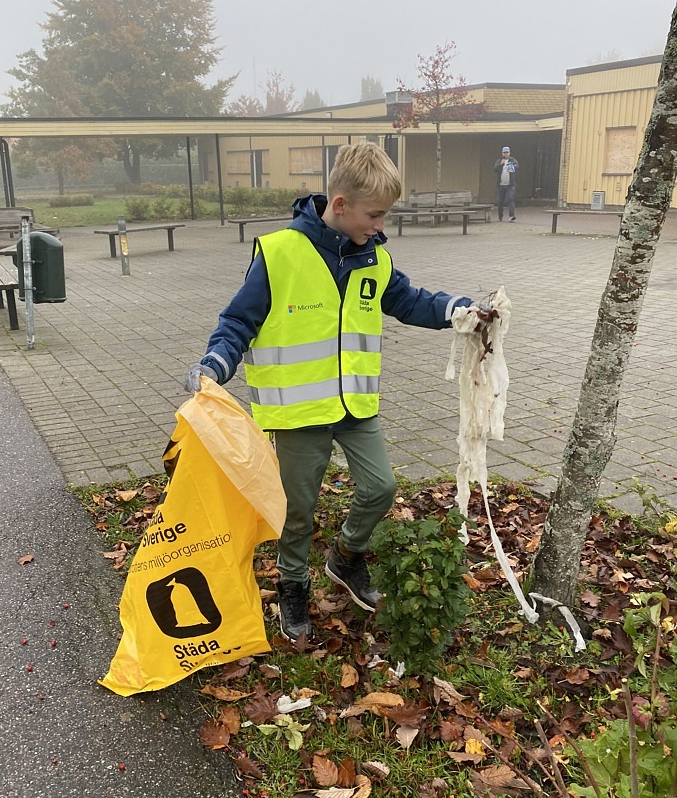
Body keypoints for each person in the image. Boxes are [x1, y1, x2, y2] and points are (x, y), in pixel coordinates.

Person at [184, 142, 475, 643]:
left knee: (381, 486)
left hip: (355, 405)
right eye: (375, 215)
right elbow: (238, 320)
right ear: (340, 206)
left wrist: (459, 311)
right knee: (298, 508)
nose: (381, 226)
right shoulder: (279, 254)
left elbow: (409, 300)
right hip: (298, 413)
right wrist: (215, 362)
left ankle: (345, 555)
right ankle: (292, 583)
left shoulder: (373, 258)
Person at [494, 145, 518, 222]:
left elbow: (517, 166)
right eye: (504, 153)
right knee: (500, 201)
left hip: (510, 185)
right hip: (501, 185)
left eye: (507, 152)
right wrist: (501, 164)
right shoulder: (499, 161)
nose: (505, 154)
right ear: (502, 153)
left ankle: (512, 215)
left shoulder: (512, 160)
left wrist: (512, 166)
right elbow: (495, 169)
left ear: (509, 153)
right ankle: (500, 216)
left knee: (510, 198)